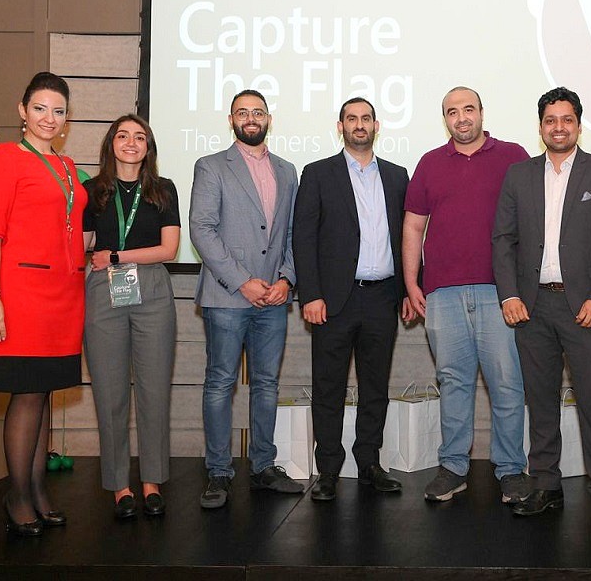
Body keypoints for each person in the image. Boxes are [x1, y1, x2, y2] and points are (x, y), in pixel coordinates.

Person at [492, 86, 591, 532]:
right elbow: (503, 240)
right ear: (540, 126)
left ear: (578, 124)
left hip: (585, 308)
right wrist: (510, 295)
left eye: (567, 120)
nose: (559, 127)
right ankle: (547, 485)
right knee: (541, 399)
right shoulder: (519, 175)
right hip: (532, 308)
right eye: (551, 120)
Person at [402, 86, 530, 504]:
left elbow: (535, 221)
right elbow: (412, 228)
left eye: (468, 109)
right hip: (442, 294)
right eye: (452, 112)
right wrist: (411, 283)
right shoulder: (429, 164)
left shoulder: (513, 156)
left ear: (481, 112)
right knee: (453, 381)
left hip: (501, 293)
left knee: (507, 384)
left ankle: (511, 469)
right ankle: (453, 466)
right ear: (446, 119)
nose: (462, 118)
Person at [0, 72, 89, 536]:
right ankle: (17, 494)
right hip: (21, 295)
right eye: (40, 108)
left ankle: (39, 489)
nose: (49, 118)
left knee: (44, 394)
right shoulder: (5, 157)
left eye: (58, 111)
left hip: (66, 296)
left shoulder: (67, 167)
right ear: (22, 111)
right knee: (25, 394)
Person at [189, 89, 303, 508]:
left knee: (268, 384)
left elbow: (294, 233)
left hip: (275, 298)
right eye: (243, 112)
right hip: (227, 297)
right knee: (220, 382)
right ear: (231, 119)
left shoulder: (288, 170)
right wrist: (243, 282)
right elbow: (201, 228)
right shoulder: (212, 166)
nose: (250, 118)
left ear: (269, 119)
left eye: (258, 112)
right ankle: (219, 472)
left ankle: (263, 467)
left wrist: (288, 279)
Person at [295, 97, 412, 501]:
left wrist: (410, 290)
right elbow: (303, 238)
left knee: (375, 387)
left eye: (366, 119)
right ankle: (328, 469)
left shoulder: (398, 177)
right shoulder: (318, 173)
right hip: (333, 301)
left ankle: (369, 464)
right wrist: (310, 294)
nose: (359, 125)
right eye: (351, 119)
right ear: (340, 125)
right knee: (328, 388)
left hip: (383, 298)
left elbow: (410, 238)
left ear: (376, 126)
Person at [82, 115, 180, 519]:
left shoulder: (163, 189)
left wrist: (118, 256)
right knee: (110, 393)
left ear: (148, 148)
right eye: (123, 136)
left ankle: (152, 481)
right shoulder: (92, 191)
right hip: (103, 290)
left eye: (140, 137)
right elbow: (84, 246)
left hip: (153, 288)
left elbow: (168, 249)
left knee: (154, 392)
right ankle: (120, 485)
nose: (131, 142)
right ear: (111, 144)